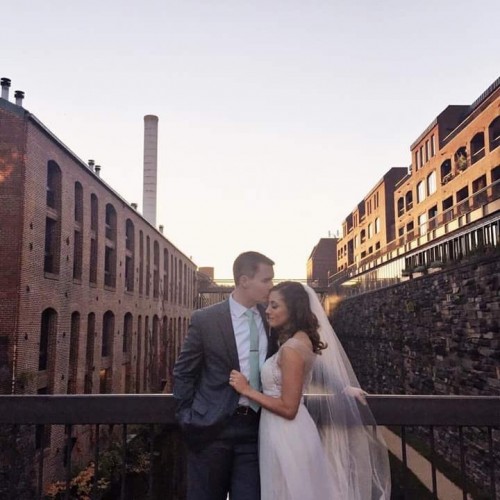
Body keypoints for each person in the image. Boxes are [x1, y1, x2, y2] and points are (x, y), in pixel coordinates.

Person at [230, 281, 391, 500]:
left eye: (274, 306)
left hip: (286, 433)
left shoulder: (291, 350)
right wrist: (343, 387)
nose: (267, 311)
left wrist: (247, 390)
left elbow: (289, 408)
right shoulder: (300, 340)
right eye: (268, 305)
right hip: (283, 431)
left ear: (293, 309)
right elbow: (317, 370)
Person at [173, 251, 278, 500]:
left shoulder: (272, 318)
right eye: (266, 280)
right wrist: (187, 418)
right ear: (244, 280)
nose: (271, 287)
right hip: (211, 430)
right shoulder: (205, 319)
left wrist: (343, 387)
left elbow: (301, 355)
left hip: (256, 430)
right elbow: (184, 372)